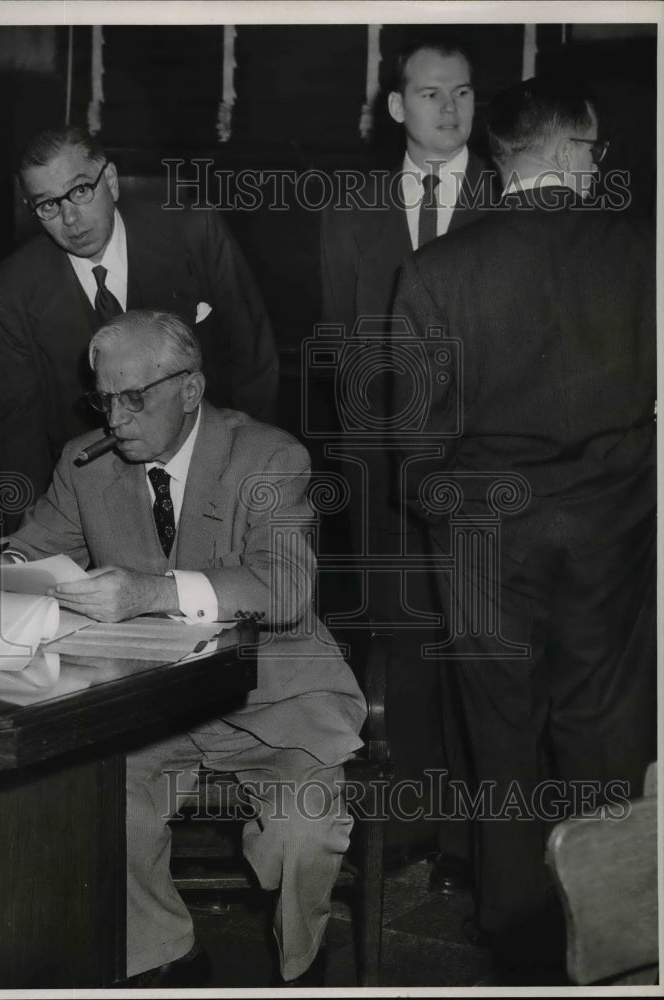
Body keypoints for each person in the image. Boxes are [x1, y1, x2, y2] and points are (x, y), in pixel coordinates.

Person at [0, 309, 366, 987]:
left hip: (277, 696)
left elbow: (286, 588)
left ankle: (303, 968)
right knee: (94, 803)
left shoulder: (270, 458)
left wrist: (149, 592)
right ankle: (166, 955)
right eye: (104, 399)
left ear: (191, 388)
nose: (116, 419)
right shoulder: (84, 464)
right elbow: (35, 549)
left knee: (303, 836)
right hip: (149, 707)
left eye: (135, 398)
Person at [390, 77, 655, 979]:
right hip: (613, 527)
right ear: (568, 150)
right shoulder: (643, 253)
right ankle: (611, 931)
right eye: (594, 151)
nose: (598, 166)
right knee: (606, 728)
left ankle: (517, 938)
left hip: (482, 534)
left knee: (498, 736)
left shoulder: (435, 272)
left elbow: (416, 448)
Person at [320, 36, 495, 893]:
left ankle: (472, 843)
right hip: (381, 470)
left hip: (479, 467)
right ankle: (415, 827)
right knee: (400, 644)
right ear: (396, 106)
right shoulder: (351, 204)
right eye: (430, 95)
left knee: (480, 647)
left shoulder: (504, 197)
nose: (449, 110)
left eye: (461, 94)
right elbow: (343, 345)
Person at [0, 126, 279, 502]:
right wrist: (28, 543)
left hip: (211, 474)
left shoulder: (195, 233)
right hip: (93, 495)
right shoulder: (10, 289)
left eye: (79, 191)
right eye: (48, 205)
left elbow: (254, 362)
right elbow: (18, 429)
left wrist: (250, 477)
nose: (70, 219)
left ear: (110, 180)